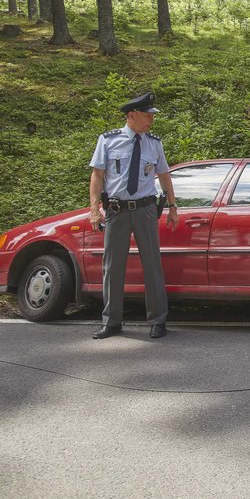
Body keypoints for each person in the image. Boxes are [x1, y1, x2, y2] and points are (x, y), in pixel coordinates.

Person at [89, 93, 178, 340]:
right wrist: (94, 209)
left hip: (145, 210)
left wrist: (172, 207)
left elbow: (164, 175)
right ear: (132, 115)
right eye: (147, 115)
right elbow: (97, 175)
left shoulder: (154, 143)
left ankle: (158, 320)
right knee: (112, 267)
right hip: (116, 211)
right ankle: (111, 322)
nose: (151, 120)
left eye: (152, 115)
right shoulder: (108, 140)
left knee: (152, 265)